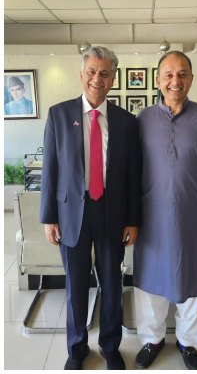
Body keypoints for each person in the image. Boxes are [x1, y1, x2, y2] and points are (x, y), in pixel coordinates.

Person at [132, 51, 197, 370]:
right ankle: (151, 339)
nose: (175, 81)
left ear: (191, 78)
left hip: (195, 217)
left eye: (182, 74)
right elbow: (129, 173)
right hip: (150, 216)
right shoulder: (142, 121)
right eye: (168, 75)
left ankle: (188, 342)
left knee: (195, 282)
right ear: (157, 80)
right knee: (149, 281)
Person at [39, 46, 142, 370]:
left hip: (112, 212)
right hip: (71, 214)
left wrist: (133, 220)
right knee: (76, 286)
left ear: (113, 78)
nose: (97, 79)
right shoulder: (59, 114)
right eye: (92, 72)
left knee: (112, 285)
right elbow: (50, 170)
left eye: (105, 73)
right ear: (82, 74)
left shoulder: (127, 121)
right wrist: (48, 218)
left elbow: (133, 175)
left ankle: (110, 346)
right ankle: (76, 348)